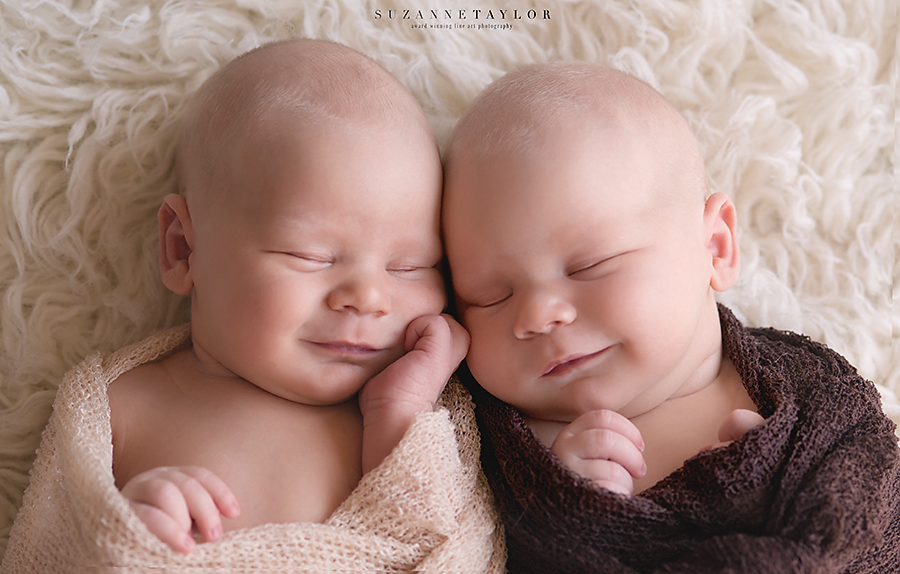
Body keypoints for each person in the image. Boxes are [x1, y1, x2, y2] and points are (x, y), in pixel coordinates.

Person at [441, 61, 900, 572]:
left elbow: (873, 490)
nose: (537, 315)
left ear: (715, 247)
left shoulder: (806, 393)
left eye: (590, 266)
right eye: (489, 296)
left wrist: (773, 487)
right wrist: (570, 516)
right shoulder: (501, 458)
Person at [106, 38, 469, 554]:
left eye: (409, 266)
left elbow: (436, 547)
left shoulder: (416, 422)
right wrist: (123, 536)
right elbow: (50, 543)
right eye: (309, 256)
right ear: (184, 249)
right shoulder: (123, 407)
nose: (369, 298)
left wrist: (400, 411)